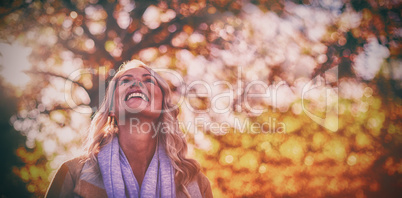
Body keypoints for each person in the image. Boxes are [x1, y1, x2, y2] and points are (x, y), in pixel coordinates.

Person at [45, 60, 213, 198]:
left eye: (149, 80)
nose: (136, 83)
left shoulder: (196, 184)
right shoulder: (73, 174)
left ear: (163, 106)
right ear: (111, 108)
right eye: (125, 81)